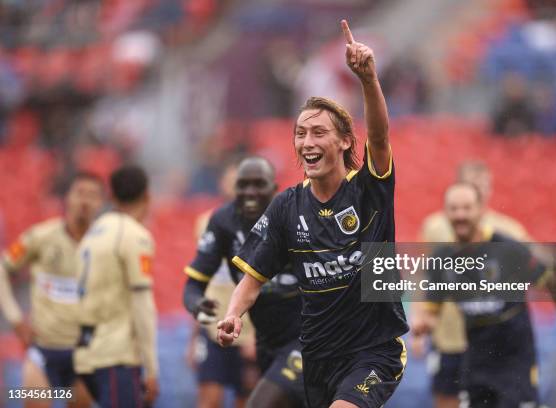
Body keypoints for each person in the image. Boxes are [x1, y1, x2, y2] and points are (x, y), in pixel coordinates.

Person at [216, 20, 408, 408]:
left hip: (374, 353)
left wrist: (368, 79)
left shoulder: (368, 190)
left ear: (344, 141)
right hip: (317, 358)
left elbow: (381, 138)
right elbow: (253, 278)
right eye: (301, 133)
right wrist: (234, 314)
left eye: (319, 132)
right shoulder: (287, 206)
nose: (307, 142)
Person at [412, 182, 556, 407]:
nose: (460, 215)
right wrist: (422, 326)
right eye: (454, 208)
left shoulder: (508, 249)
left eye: (466, 208)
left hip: (515, 363)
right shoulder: (443, 259)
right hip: (474, 363)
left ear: (480, 210)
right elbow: (432, 312)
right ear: (445, 212)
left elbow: (555, 284)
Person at [184, 157, 304, 408]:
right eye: (243, 184)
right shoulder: (222, 221)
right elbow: (193, 284)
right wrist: (197, 305)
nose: (250, 192)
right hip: (257, 336)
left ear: (274, 188)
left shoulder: (298, 217)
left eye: (259, 184)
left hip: (302, 336)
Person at [418, 161, 529, 408]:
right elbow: (425, 278)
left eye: (482, 185)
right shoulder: (435, 227)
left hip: (495, 343)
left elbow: (533, 277)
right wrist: (421, 322)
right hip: (449, 336)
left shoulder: (510, 232)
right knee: (447, 398)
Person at [0, 172, 104, 408]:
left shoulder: (104, 245)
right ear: (67, 198)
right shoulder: (41, 237)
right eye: (79, 193)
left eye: (92, 195)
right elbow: (2, 269)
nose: (85, 201)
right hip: (43, 353)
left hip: (83, 356)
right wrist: (16, 319)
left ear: (101, 203)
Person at [74, 165, 158, 407]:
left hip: (86, 354)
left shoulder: (93, 232)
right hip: (115, 355)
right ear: (147, 197)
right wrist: (152, 369)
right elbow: (143, 306)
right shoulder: (134, 235)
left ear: (111, 196)